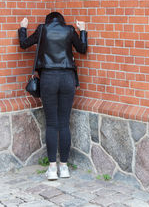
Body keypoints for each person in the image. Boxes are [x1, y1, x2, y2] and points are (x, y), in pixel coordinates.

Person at [18, 12, 87, 180]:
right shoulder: (70, 30)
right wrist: (83, 30)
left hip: (48, 78)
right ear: (62, 20)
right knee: (64, 123)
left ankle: (52, 168)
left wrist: (22, 28)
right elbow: (82, 49)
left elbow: (24, 44)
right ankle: (64, 167)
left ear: (47, 20)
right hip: (67, 79)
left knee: (51, 124)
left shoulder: (42, 29)